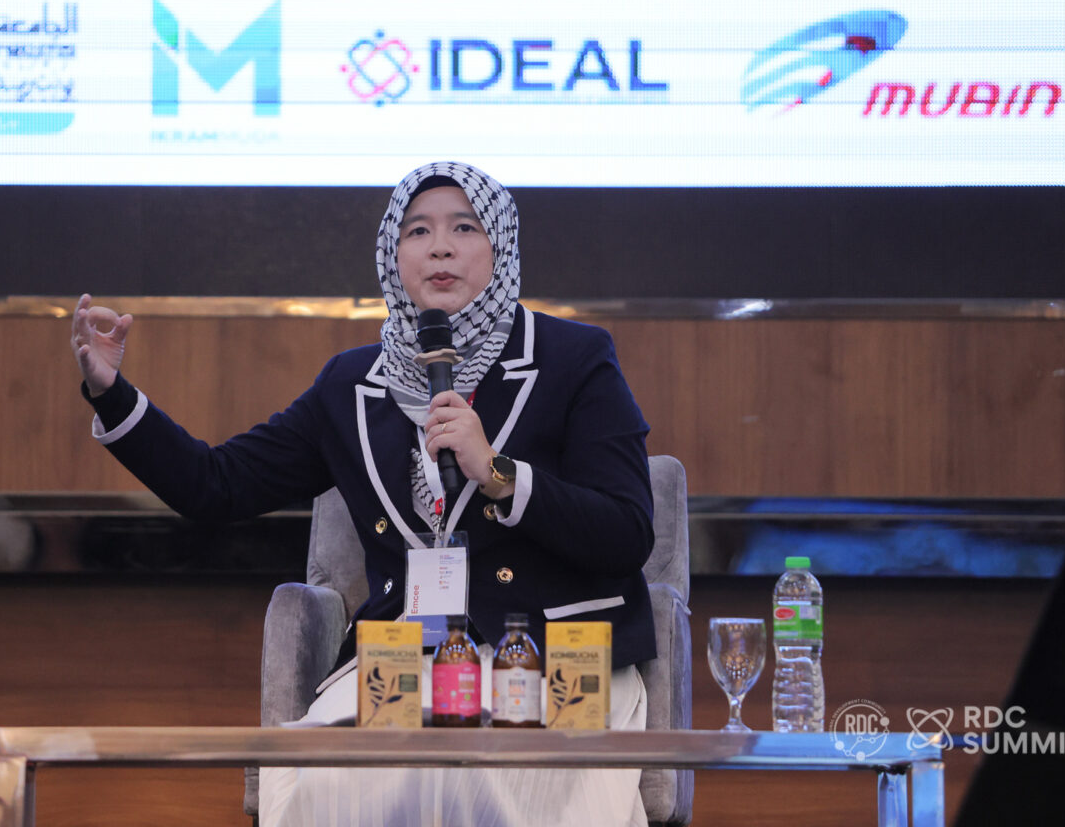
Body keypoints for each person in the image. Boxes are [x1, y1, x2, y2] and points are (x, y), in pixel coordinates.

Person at [72, 161, 657, 827]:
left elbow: (626, 533)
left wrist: (497, 472)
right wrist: (110, 394)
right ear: (392, 256)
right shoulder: (351, 385)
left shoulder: (574, 357)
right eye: (418, 231)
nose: (440, 247)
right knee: (330, 782)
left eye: (464, 228)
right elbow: (217, 485)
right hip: (403, 660)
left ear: (500, 246)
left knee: (493, 783)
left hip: (549, 655)